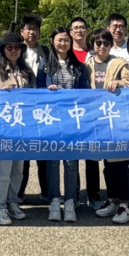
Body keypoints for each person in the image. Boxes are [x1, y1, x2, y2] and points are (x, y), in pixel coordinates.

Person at [84, 28, 129, 224]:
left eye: (106, 43)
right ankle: (113, 199)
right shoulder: (88, 65)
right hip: (97, 120)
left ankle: (125, 205)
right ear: (93, 45)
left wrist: (119, 82)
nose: (102, 46)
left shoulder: (119, 63)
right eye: (98, 43)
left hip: (116, 119)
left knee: (120, 162)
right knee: (107, 162)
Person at [39, 27, 89, 222]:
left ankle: (70, 201)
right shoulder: (44, 64)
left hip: (72, 120)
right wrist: (47, 90)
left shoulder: (79, 66)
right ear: (53, 41)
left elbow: (85, 92)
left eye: (66, 40)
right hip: (51, 119)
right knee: (52, 161)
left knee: (70, 161)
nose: (63, 43)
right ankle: (54, 200)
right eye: (59, 40)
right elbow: (37, 90)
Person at [0, 32, 35, 225]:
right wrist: (0, 93)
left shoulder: (27, 71)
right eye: (9, 47)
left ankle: (12, 201)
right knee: (3, 171)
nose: (13, 51)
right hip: (2, 129)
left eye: (17, 47)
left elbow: (35, 98)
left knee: (18, 171)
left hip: (22, 128)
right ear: (3, 50)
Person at [17, 13, 47, 204]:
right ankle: (19, 192)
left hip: (43, 108)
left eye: (35, 29)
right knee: (23, 153)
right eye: (28, 29)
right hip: (22, 108)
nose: (32, 32)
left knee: (44, 151)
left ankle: (46, 191)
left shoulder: (47, 52)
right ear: (22, 32)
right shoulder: (15, 51)